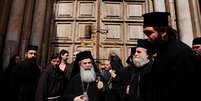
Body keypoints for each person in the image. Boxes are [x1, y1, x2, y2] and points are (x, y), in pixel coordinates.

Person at [142, 12, 201, 101]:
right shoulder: (163, 51)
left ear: (163, 32)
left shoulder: (181, 53)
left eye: (149, 33)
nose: (146, 38)